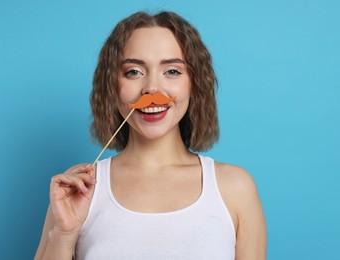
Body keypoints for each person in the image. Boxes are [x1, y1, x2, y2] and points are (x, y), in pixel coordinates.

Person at [35, 11, 266, 260]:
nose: (152, 88)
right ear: (112, 86)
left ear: (194, 84)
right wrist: (63, 234)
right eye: (134, 72)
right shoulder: (79, 190)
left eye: (172, 71)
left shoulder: (235, 188)